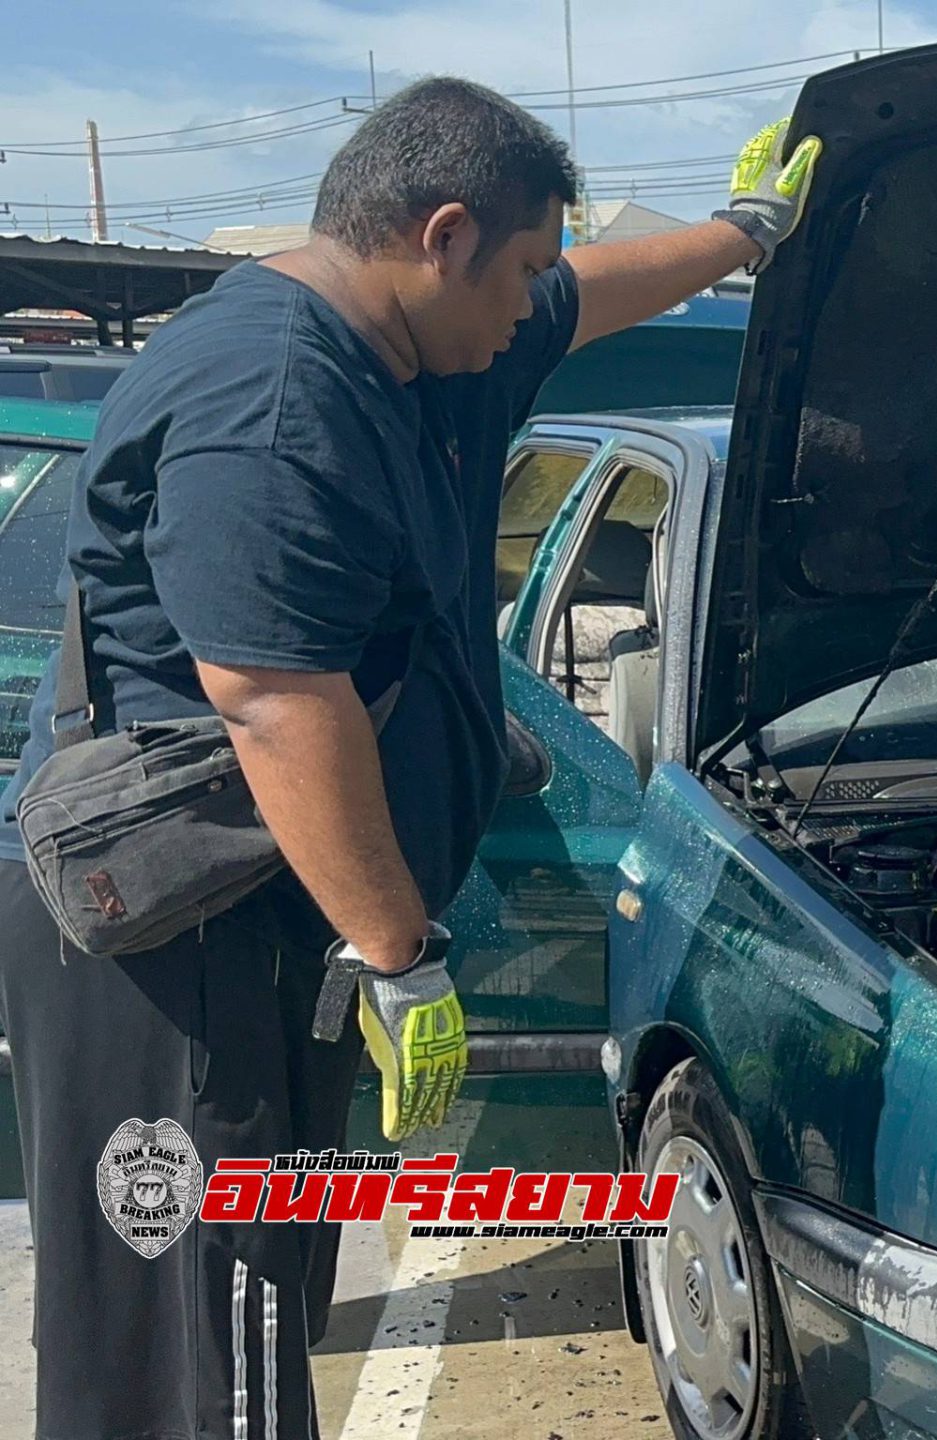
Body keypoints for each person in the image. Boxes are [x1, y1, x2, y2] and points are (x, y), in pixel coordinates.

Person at [0, 80, 820, 1440]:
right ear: (443, 236)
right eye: (520, 270)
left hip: (261, 930)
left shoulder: (427, 343)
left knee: (256, 1303)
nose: (532, 305)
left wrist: (742, 235)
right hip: (174, 951)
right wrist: (402, 955)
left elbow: (594, 292)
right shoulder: (276, 399)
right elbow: (271, 699)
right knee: (201, 1343)